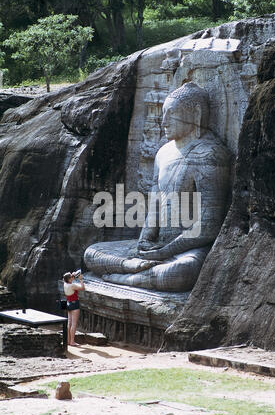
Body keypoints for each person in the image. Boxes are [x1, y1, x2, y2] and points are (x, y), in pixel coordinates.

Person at [84, 82, 231, 292]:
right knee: (93, 252)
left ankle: (124, 278)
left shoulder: (211, 154)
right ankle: (131, 266)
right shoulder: (163, 153)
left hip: (188, 250)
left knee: (182, 271)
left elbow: (209, 226)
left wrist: (166, 251)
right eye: (163, 113)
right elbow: (155, 204)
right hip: (156, 247)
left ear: (195, 115)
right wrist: (145, 239)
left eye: (171, 114)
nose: (163, 122)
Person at [63, 272, 85, 346]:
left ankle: (68, 340)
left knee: (69, 323)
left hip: (68, 303)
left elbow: (69, 279)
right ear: (69, 279)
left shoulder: (65, 284)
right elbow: (82, 288)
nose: (73, 278)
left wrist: (73, 275)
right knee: (74, 323)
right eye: (72, 277)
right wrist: (81, 280)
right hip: (74, 303)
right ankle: (72, 341)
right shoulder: (72, 285)